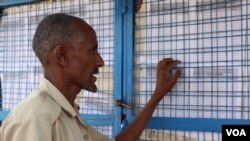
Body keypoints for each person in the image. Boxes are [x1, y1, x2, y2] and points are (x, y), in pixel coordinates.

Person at [0, 13, 182, 141]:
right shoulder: (37, 118)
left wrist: (157, 95)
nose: (101, 62)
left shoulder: (67, 114)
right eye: (92, 51)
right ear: (62, 56)